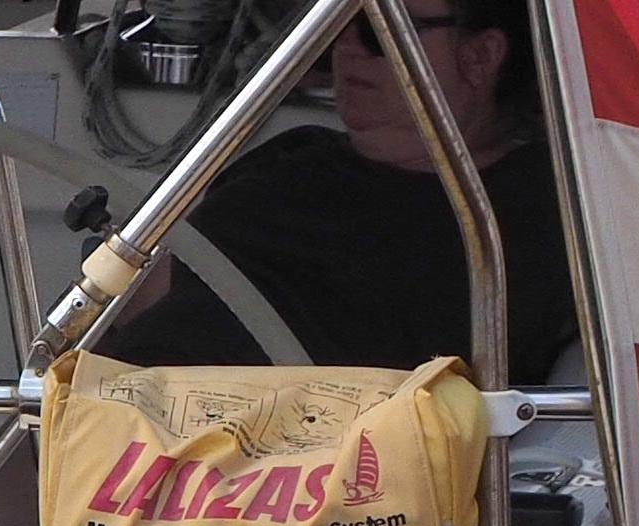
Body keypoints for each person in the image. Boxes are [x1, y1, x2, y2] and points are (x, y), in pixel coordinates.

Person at [101, 0, 583, 382]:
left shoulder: (539, 210)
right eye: (338, 23)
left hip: (315, 479)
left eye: (378, 27)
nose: (348, 48)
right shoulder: (290, 155)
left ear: (481, 56)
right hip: (118, 436)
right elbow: (133, 297)